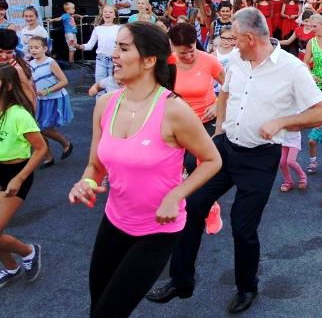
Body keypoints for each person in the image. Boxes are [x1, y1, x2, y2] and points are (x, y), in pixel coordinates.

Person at [145, 7, 322, 314]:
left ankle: (247, 287)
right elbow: (225, 94)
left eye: (235, 37)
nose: (230, 42)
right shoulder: (236, 60)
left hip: (260, 158)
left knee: (243, 226)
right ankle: (181, 280)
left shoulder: (292, 69)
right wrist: (218, 131)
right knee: (192, 205)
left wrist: (282, 121)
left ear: (249, 38)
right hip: (225, 149)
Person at [67, 21, 222, 316]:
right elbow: (95, 165)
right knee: (97, 306)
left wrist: (176, 195)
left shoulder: (174, 110)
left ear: (149, 61)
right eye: (116, 47)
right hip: (114, 221)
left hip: (158, 229)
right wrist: (86, 183)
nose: (114, 55)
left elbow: (213, 160)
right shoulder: (105, 105)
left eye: (124, 48)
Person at [0, 64, 47, 288]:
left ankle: (29, 252)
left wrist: (19, 178)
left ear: (8, 86)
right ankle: (11, 268)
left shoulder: (19, 114)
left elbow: (41, 148)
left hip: (16, 174)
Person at [168, 23, 224, 174]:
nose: (188, 56)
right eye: (182, 53)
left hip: (205, 120)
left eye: (191, 51)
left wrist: (218, 105)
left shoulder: (209, 60)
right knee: (174, 163)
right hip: (178, 122)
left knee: (194, 163)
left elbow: (230, 86)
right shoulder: (168, 63)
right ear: (172, 46)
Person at [28, 37, 74, 168]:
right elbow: (32, 83)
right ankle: (48, 157)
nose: (33, 50)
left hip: (54, 99)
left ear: (45, 49)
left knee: (45, 129)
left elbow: (64, 81)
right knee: (38, 129)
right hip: (40, 100)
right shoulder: (31, 64)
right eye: (31, 48)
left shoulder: (50, 62)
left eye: (36, 47)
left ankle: (66, 144)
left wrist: (47, 91)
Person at [74, 4, 120, 85]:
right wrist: (78, 46)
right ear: (102, 14)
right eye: (105, 12)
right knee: (100, 85)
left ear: (115, 15)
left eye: (110, 12)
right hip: (100, 60)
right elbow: (89, 45)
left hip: (114, 60)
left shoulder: (119, 28)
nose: (107, 13)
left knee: (113, 85)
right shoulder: (97, 29)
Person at [0, 29, 35, 105]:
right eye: (0, 51)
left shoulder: (18, 69)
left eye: (9, 52)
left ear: (14, 51)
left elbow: (30, 98)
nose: (4, 56)